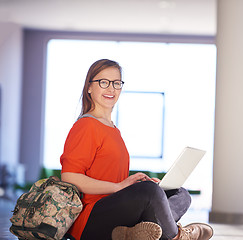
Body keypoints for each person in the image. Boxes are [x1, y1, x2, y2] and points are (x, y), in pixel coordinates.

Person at [60, 59, 213, 240]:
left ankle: (131, 233)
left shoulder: (112, 129)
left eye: (116, 83)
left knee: (180, 194)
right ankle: (178, 236)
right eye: (103, 82)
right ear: (89, 88)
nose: (111, 89)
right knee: (149, 192)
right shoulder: (86, 125)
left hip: (116, 211)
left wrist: (131, 184)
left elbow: (108, 174)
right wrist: (119, 187)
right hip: (91, 219)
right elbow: (70, 176)